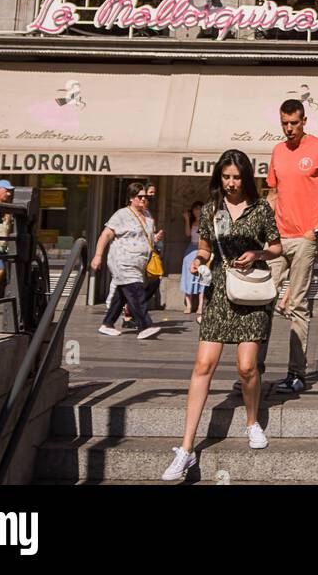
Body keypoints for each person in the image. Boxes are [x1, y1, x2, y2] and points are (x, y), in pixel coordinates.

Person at [162, 151, 282, 481]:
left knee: (246, 367)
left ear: (246, 178)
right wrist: (198, 260)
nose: (231, 183)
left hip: (252, 292)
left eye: (236, 177)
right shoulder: (212, 209)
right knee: (203, 365)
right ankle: (186, 449)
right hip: (219, 292)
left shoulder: (261, 209)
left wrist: (257, 252)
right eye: (226, 177)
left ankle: (252, 421)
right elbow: (204, 246)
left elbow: (277, 247)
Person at [262, 98, 318, 394]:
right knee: (263, 298)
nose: (289, 129)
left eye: (294, 123)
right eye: (284, 123)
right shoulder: (278, 151)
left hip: (306, 238)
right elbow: (273, 192)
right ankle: (255, 367)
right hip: (277, 237)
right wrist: (263, 226)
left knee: (297, 305)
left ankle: (296, 373)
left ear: (304, 121)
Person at [91, 182, 161, 340]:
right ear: (131, 198)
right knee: (135, 291)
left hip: (140, 262)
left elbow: (146, 238)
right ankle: (145, 325)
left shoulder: (148, 216)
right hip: (122, 261)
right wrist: (98, 255)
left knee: (122, 295)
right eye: (140, 196)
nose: (143, 199)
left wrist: (155, 239)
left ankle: (107, 324)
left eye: (146, 197)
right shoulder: (121, 215)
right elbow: (105, 235)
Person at [141, 181, 165, 312]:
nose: (152, 196)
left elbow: (148, 235)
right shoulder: (133, 214)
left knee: (155, 281)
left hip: (148, 253)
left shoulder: (148, 214)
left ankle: (133, 309)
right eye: (150, 193)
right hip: (137, 255)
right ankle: (128, 312)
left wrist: (155, 237)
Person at [180, 200, 204, 316]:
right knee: (188, 275)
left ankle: (200, 305)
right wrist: (186, 219)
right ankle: (189, 305)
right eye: (195, 209)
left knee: (202, 278)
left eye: (199, 209)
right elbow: (188, 234)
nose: (197, 211)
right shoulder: (192, 221)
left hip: (202, 250)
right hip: (191, 249)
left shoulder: (206, 222)